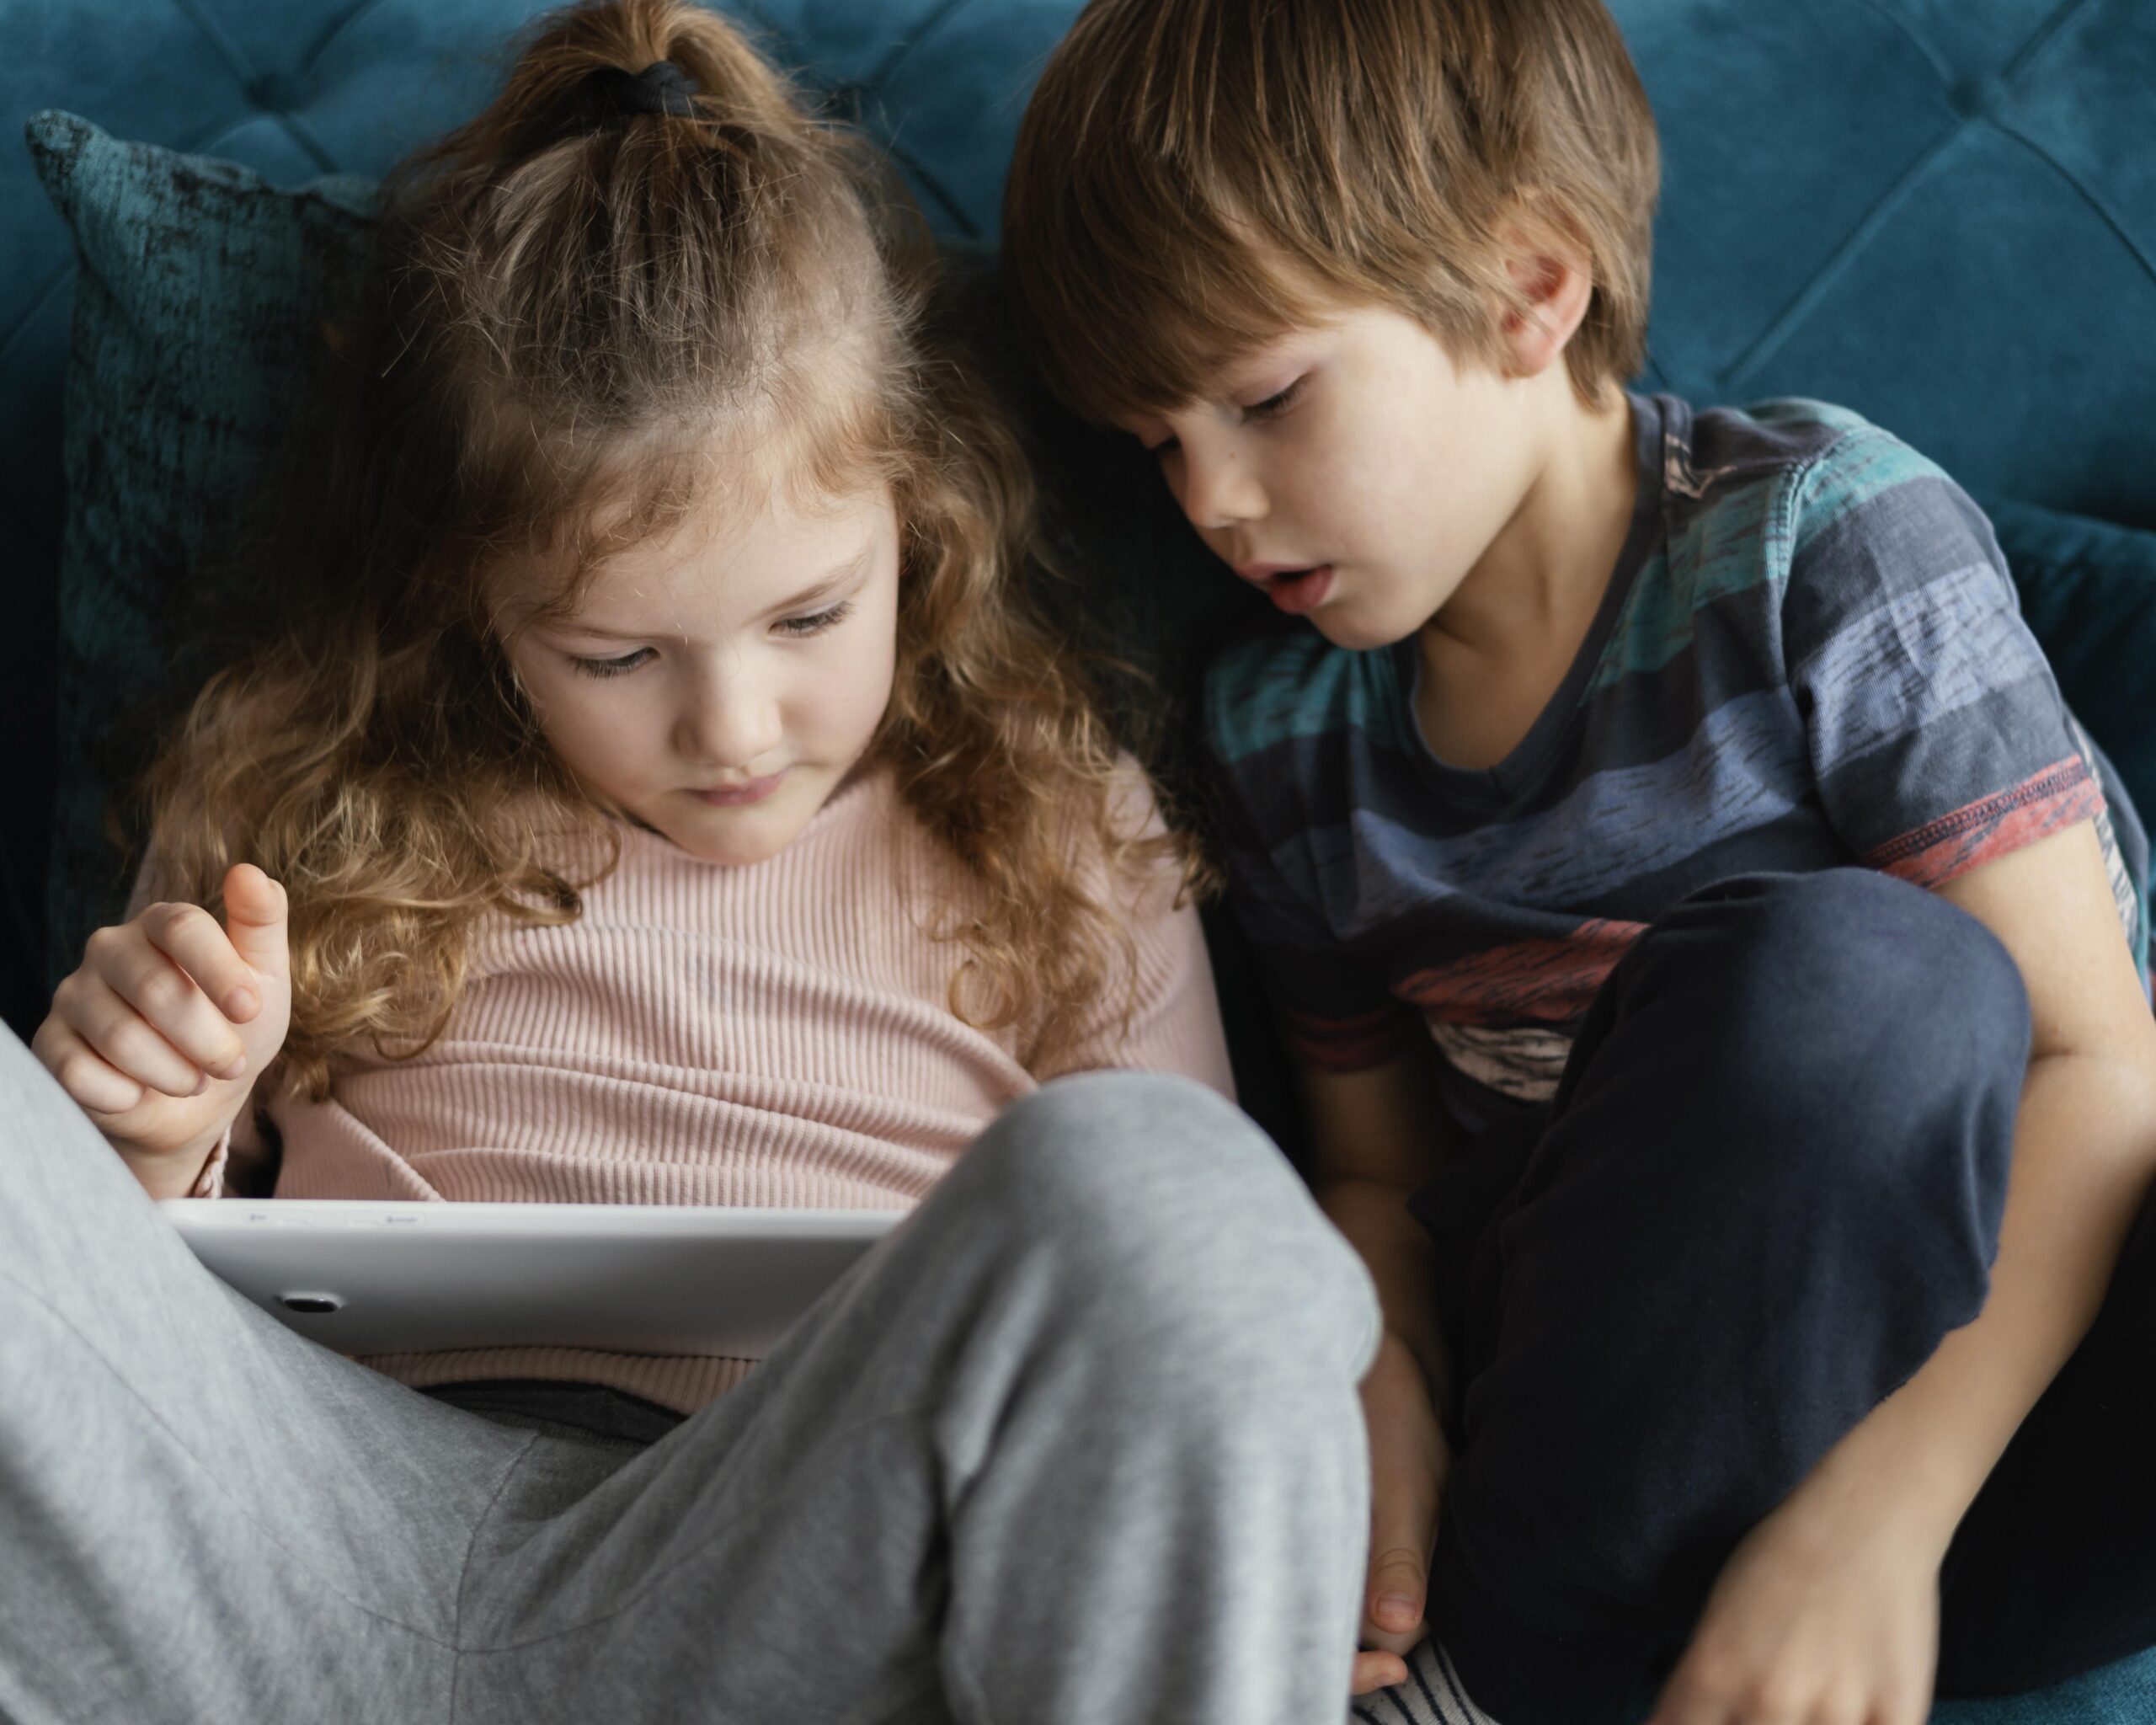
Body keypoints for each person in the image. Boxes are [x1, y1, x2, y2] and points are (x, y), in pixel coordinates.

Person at [8, 3, 1384, 1720]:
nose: (731, 728)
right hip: (303, 1521)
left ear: (918, 519)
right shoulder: (296, 776)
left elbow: (1173, 1315)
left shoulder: (1046, 809)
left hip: (789, 1550)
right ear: (480, 607)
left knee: (1178, 1200)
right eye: (610, 655)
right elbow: (102, 1349)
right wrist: (143, 1141)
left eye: (808, 615)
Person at [1001, 3, 2156, 1722]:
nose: (1215, 503)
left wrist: (1868, 1528)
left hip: (1955, 1422)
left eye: (1260, 400)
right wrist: (1373, 1357)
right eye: (1158, 446)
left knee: (1873, 982)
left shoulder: (1820, 546)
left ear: (1526, 290)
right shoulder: (1278, 728)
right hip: (1584, 1425)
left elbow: (2095, 1066)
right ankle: (1493, 1669)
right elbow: (1382, 1168)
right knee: (1849, 992)